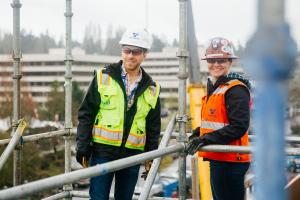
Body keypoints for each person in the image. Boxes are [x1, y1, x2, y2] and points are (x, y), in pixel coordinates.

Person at [76, 28, 161, 200]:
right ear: (122, 51)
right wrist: (82, 146)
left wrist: (151, 155)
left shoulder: (152, 88)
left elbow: (153, 126)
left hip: (132, 154)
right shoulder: (103, 77)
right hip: (102, 152)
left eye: (136, 51)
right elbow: (86, 114)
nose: (130, 55)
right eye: (126, 50)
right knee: (98, 198)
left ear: (145, 54)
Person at [186, 37, 251, 200]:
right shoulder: (217, 86)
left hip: (231, 160)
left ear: (230, 62)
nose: (216, 64)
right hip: (220, 157)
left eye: (221, 60)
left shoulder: (235, 89)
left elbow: (239, 127)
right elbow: (217, 123)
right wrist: (199, 132)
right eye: (212, 60)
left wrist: (205, 139)